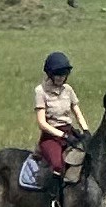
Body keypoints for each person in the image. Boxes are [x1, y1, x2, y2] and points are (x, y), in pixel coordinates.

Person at [28, 47, 90, 191]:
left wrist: (85, 130)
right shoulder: (40, 91)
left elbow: (77, 112)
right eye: (58, 75)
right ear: (50, 74)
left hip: (70, 132)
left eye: (64, 74)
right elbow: (42, 123)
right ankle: (53, 200)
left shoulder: (68, 90)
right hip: (51, 136)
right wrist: (63, 135)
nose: (61, 77)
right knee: (57, 165)